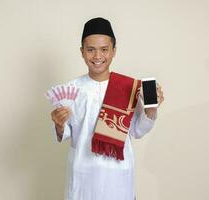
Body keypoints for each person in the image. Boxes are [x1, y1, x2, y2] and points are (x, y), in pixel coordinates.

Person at [49, 17, 164, 200]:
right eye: (90, 50)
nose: (97, 56)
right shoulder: (71, 89)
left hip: (118, 177)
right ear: (82, 52)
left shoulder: (128, 87)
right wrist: (59, 125)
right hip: (82, 177)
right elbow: (65, 133)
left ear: (114, 51)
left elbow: (138, 130)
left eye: (104, 50)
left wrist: (151, 109)